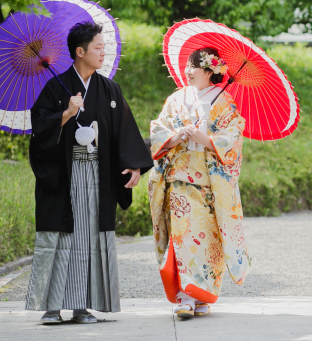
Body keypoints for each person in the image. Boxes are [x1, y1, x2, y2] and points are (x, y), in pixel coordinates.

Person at [25, 21, 153, 324]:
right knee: (60, 237)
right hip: (63, 175)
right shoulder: (56, 88)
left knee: (88, 238)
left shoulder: (109, 89)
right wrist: (66, 114)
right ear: (79, 51)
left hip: (98, 176)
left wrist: (134, 163)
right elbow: (39, 130)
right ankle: (51, 307)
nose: (102, 52)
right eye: (98, 47)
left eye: (103, 47)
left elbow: (124, 131)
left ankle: (82, 305)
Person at [148, 47, 249, 320]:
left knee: (208, 242)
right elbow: (158, 130)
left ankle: (201, 295)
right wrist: (178, 135)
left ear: (209, 71)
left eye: (194, 66)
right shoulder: (177, 98)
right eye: (188, 66)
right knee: (183, 239)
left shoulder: (224, 101)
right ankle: (185, 297)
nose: (188, 71)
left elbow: (233, 139)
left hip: (208, 184)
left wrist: (207, 140)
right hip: (179, 180)